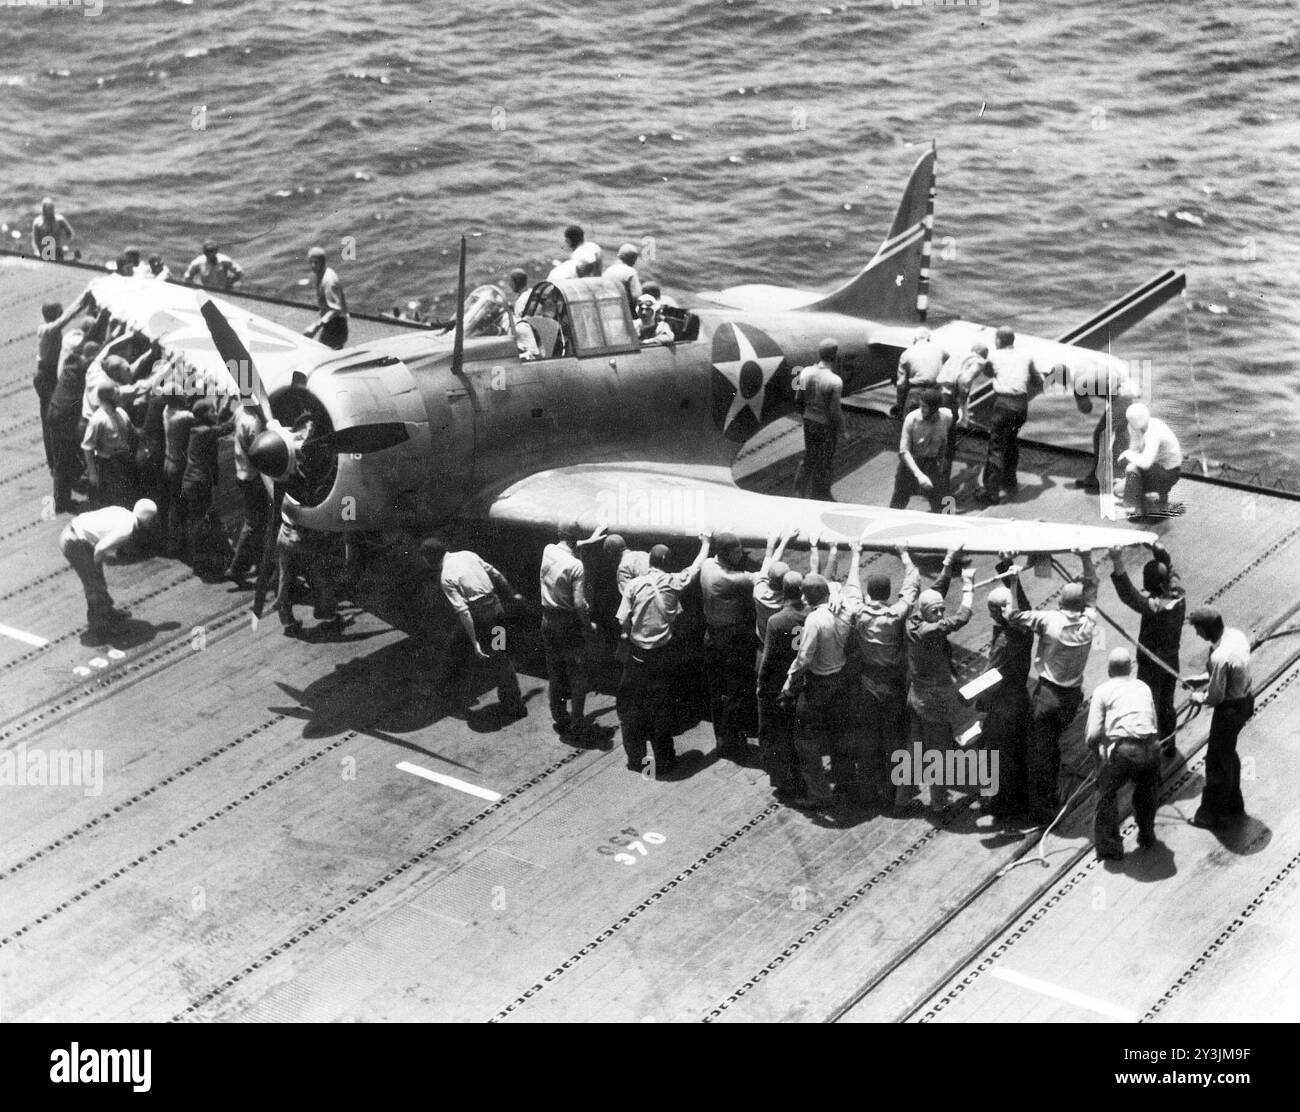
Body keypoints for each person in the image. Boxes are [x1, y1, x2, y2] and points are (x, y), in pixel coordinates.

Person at [1005, 552, 1099, 826]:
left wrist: (1012, 581)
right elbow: (1093, 587)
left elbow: (1013, 615)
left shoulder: (1049, 621)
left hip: (1048, 696)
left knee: (1039, 754)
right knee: (1051, 742)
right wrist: (1086, 558)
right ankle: (1053, 792)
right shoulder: (1088, 623)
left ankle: (1041, 811)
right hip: (1072, 697)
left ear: (1060, 600)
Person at [617, 535, 711, 777]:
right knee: (660, 710)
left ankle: (636, 760)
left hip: (637, 657)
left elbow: (622, 620)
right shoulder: (674, 581)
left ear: (649, 561)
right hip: (662, 657)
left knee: (631, 709)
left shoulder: (634, 585)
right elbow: (694, 568)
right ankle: (665, 763)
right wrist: (706, 544)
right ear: (667, 563)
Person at [847, 542, 921, 807]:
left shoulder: (859, 612)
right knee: (894, 736)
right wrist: (904, 553)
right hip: (892, 684)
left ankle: (868, 789)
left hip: (867, 683)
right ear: (889, 592)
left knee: (868, 736)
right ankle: (897, 789)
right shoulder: (896, 614)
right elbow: (913, 584)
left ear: (869, 593)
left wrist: (855, 554)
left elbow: (851, 586)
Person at [899, 553, 975, 811]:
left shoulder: (913, 619)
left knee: (914, 747)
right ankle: (939, 802)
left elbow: (934, 592)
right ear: (926, 613)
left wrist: (948, 562)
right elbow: (962, 617)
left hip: (916, 697)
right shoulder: (930, 631)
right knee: (938, 753)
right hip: (934, 703)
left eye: (942, 609)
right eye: (937, 611)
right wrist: (968, 586)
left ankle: (903, 795)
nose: (941, 614)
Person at [420, 537, 525, 715]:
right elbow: (496, 574)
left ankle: (447, 696)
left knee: (456, 649)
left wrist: (474, 641)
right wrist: (512, 594)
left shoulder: (446, 576)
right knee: (500, 654)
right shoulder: (467, 555)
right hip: (497, 610)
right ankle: (514, 703)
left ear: (430, 559)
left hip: (480, 617)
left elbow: (463, 612)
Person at [702, 531, 782, 757]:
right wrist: (772, 546)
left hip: (711, 636)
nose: (741, 554)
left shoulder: (708, 565)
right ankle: (731, 742)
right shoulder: (729, 579)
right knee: (736, 690)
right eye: (737, 552)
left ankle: (723, 736)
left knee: (717, 690)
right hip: (730, 640)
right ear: (726, 553)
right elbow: (764, 576)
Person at [779, 572, 855, 810]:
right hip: (841, 680)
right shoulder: (845, 608)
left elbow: (804, 658)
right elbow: (835, 585)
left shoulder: (814, 620)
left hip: (819, 685)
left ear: (806, 596)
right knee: (840, 734)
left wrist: (789, 683)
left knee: (805, 741)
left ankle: (820, 793)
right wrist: (835, 593)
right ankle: (846, 783)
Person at [1110, 542, 1185, 757]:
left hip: (1152, 665)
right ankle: (1169, 744)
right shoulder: (1179, 596)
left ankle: (1150, 753)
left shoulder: (1153, 608)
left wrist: (1117, 560)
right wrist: (1157, 548)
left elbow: (1129, 595)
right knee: (1166, 705)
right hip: (1171, 661)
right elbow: (1170, 569)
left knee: (1148, 706)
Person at [1089, 648, 1161, 859]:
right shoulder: (1143, 687)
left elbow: (1092, 735)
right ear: (1131, 668)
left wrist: (1097, 755)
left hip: (1125, 753)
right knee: (1147, 792)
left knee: (1105, 794)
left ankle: (1110, 849)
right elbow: (1154, 724)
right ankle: (1147, 834)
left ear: (1109, 669)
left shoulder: (1102, 691)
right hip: (1151, 748)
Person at [1186, 607, 1254, 829]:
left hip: (1229, 711)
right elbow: (1229, 671)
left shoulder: (1218, 656)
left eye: (1197, 629)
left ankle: (1210, 815)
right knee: (1227, 753)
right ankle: (1234, 804)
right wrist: (1202, 678)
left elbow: (1215, 697)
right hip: (1245, 701)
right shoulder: (1235, 636)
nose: (1197, 634)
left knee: (1216, 762)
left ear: (1206, 629)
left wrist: (1199, 697)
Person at [979, 557, 1036, 817]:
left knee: (994, 752)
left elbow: (989, 678)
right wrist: (1007, 569)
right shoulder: (1026, 628)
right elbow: (1021, 603)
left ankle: (999, 802)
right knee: (1020, 748)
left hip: (1003, 704)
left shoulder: (1002, 643)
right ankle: (1023, 797)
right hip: (1021, 697)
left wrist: (978, 703)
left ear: (996, 612)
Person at [540, 522, 603, 743]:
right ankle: (577, 722)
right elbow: (579, 603)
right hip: (568, 625)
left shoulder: (548, 550)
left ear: (559, 534)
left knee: (555, 671)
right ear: (575, 538)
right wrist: (588, 625)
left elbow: (567, 546)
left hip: (548, 620)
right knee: (578, 676)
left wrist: (587, 540)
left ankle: (560, 716)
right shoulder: (576, 566)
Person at [59, 500, 156, 635]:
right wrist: (96, 570)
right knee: (95, 585)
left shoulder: (123, 511)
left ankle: (107, 612)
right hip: (74, 542)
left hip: (72, 533)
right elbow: (100, 549)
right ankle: (100, 626)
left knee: (97, 581)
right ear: (148, 519)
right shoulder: (127, 529)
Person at [976, 326, 1041, 505]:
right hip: (1021, 405)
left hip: (1003, 404)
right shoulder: (1027, 356)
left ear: (998, 340)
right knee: (1011, 441)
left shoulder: (994, 356)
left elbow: (988, 372)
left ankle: (991, 492)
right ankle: (1009, 480)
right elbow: (1037, 380)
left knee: (996, 447)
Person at [757, 570, 806, 799]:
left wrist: (761, 684)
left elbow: (768, 658)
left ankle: (784, 780)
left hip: (780, 680)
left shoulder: (776, 621)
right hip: (803, 679)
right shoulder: (810, 615)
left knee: (780, 734)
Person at [179, 399, 235, 572]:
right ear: (204, 414)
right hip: (199, 483)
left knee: (199, 519)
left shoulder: (198, 430)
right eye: (212, 411)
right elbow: (226, 427)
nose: (215, 413)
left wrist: (227, 402)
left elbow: (218, 424)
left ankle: (202, 557)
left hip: (192, 482)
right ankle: (203, 559)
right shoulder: (204, 432)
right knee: (200, 521)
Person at [1071, 362, 1140, 494]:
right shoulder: (1086, 372)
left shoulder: (1078, 385)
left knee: (1100, 435)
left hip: (1121, 397)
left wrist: (1080, 398)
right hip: (1128, 392)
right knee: (1121, 436)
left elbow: (1086, 409)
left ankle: (1098, 477)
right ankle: (1122, 476)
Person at [225, 401, 269, 585]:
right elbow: (262, 452)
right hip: (254, 477)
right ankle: (236, 567)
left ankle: (259, 563)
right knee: (254, 523)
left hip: (242, 472)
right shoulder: (253, 423)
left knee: (257, 522)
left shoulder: (240, 411)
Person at [889, 387, 953, 513]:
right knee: (897, 504)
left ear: (935, 408)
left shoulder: (946, 417)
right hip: (911, 464)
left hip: (932, 464)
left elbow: (944, 440)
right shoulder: (911, 419)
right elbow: (904, 452)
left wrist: (941, 461)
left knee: (944, 505)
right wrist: (919, 475)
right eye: (921, 406)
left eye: (925, 407)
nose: (921, 410)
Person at [796, 339, 844, 501]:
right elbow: (834, 411)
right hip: (825, 425)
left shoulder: (805, 372)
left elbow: (798, 398)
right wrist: (842, 430)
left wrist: (806, 414)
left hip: (809, 420)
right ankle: (821, 494)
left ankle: (799, 492)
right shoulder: (834, 381)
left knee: (809, 457)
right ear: (835, 356)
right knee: (825, 461)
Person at [81, 383, 137, 509]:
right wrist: (92, 473)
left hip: (125, 462)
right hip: (109, 466)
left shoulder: (121, 413)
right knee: (115, 501)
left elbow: (132, 433)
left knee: (128, 497)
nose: (120, 396)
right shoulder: (98, 420)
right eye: (116, 394)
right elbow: (88, 448)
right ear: (108, 398)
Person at [1119, 402, 1182, 512]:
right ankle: (1147, 497)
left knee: (1131, 468)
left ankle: (1135, 506)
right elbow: (1135, 448)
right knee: (1118, 490)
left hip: (1169, 472)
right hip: (1154, 466)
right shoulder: (1134, 427)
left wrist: (1127, 454)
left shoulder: (1153, 432)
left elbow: (1145, 463)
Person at [937, 341, 989, 460]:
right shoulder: (979, 360)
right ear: (983, 354)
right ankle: (944, 467)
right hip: (951, 397)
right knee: (949, 435)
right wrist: (962, 400)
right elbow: (965, 380)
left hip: (939, 392)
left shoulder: (957, 355)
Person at [751, 528, 796, 646]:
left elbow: (769, 563)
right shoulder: (787, 601)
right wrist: (785, 540)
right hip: (781, 640)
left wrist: (776, 543)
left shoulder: (759, 591)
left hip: (763, 636)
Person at [35, 301, 65, 473]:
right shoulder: (48, 330)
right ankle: (55, 463)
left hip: (47, 375)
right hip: (47, 376)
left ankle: (54, 461)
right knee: (51, 421)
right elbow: (64, 320)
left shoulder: (48, 329)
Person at [895, 327, 947, 417]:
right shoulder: (940, 350)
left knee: (910, 419)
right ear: (929, 339)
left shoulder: (906, 353)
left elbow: (901, 384)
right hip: (935, 391)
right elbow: (948, 361)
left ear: (915, 339)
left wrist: (900, 404)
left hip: (916, 392)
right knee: (933, 422)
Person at [305, 246, 349, 349]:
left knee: (323, 351)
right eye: (311, 262)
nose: (313, 265)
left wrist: (315, 327)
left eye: (316, 262)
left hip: (337, 325)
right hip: (331, 324)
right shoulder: (321, 275)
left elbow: (336, 310)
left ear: (323, 262)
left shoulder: (329, 281)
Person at [604, 243, 643, 307]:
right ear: (632, 259)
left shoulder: (607, 271)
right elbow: (636, 296)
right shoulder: (630, 272)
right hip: (624, 310)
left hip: (608, 307)